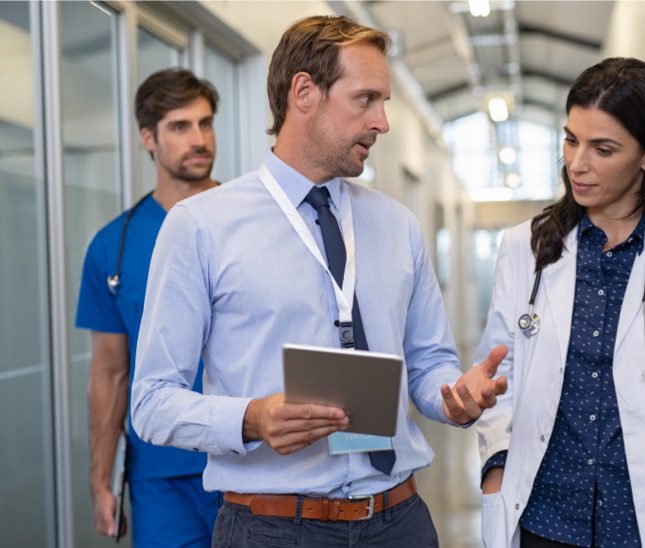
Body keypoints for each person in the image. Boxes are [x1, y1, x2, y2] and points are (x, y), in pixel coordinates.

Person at [131, 15, 507, 548]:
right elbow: (151, 401)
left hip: (399, 520)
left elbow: (428, 363)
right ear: (304, 92)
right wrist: (252, 418)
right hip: (273, 528)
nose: (383, 122)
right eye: (366, 99)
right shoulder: (201, 226)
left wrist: (453, 395)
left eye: (385, 102)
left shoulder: (396, 225)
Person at [475, 56, 645, 548]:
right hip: (542, 520)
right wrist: (496, 475)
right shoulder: (524, 248)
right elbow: (497, 378)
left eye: (603, 148)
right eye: (571, 140)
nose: (577, 163)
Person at [76, 68, 220, 547]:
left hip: (253, 462)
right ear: (148, 139)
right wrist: (101, 479)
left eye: (205, 123)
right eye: (180, 127)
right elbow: (111, 373)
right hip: (159, 474)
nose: (198, 139)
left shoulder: (253, 221)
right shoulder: (112, 247)